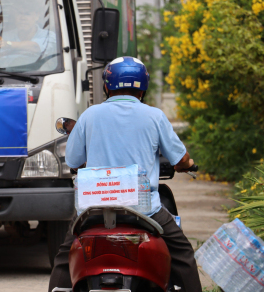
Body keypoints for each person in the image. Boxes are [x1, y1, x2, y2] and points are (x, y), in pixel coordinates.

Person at [48, 56, 202, 292]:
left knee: (64, 255)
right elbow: (180, 159)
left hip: (94, 209)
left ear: (107, 86)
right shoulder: (155, 116)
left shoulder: (90, 115)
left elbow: (74, 161)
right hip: (143, 211)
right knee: (182, 252)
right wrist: (187, 165)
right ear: (143, 87)